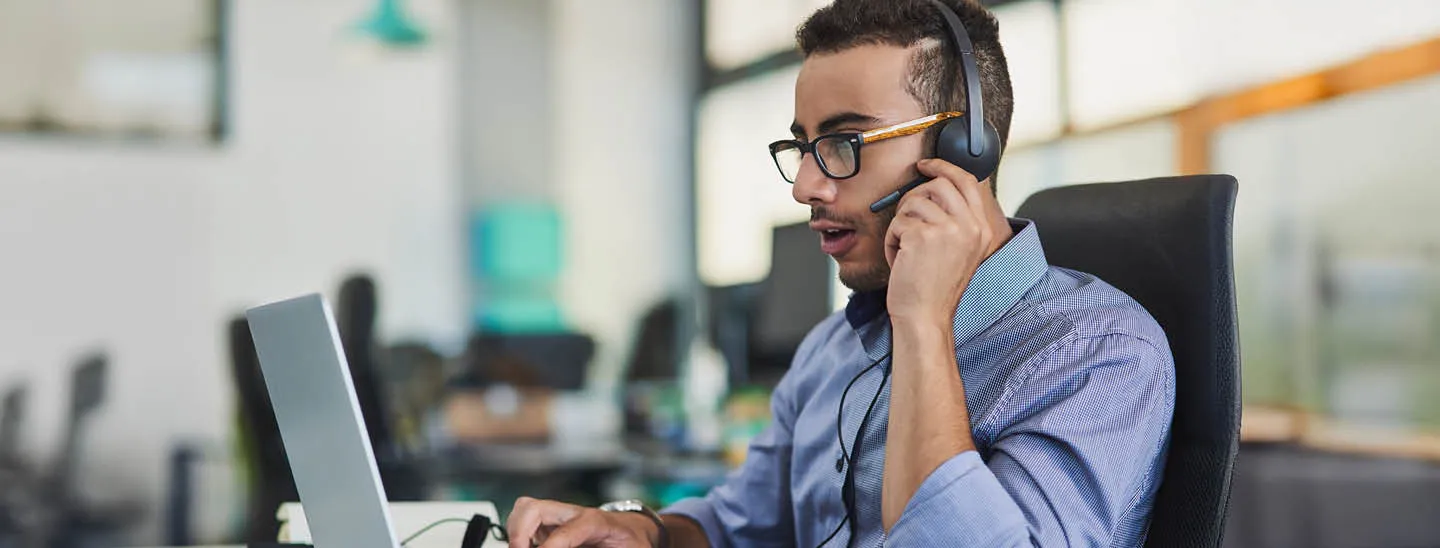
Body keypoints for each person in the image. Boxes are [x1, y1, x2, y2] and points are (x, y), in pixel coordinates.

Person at [505, 0, 1175, 546]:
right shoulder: (833, 349)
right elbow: (741, 522)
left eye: (842, 145)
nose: (804, 186)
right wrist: (641, 531)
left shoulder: (1100, 355)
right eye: (802, 146)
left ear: (962, 149)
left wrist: (922, 324)